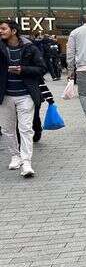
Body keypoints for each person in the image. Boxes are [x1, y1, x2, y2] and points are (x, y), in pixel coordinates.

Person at [0, 20, 47, 177]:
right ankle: (15, 156)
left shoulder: (29, 47)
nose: (1, 31)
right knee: (7, 129)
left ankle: (27, 162)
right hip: (5, 96)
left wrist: (23, 69)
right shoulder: (0, 47)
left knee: (25, 129)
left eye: (3, 28)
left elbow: (42, 68)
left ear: (13, 31)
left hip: (25, 95)